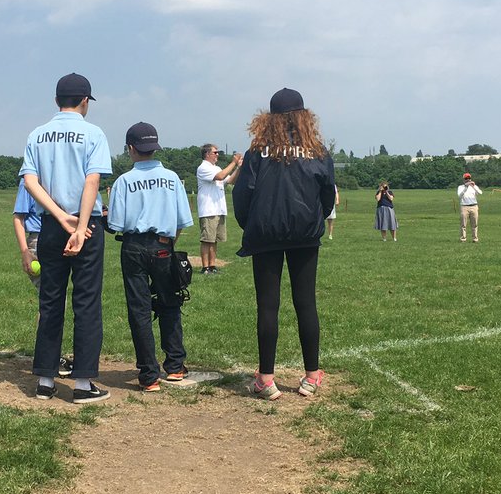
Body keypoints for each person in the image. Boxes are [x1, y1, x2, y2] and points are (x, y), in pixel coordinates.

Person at [233, 87, 335, 400]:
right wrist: (314, 222)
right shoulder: (317, 152)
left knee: (268, 304)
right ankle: (311, 376)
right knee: (306, 302)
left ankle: (266, 379)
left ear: (269, 120)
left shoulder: (256, 154)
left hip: (265, 234)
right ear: (304, 117)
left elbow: (242, 195)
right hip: (305, 235)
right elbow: (327, 195)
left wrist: (250, 224)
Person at [20, 73, 113, 404]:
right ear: (85, 101)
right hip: (85, 225)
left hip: (50, 223)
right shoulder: (93, 133)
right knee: (86, 302)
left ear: (57, 100)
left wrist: (59, 217)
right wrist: (79, 226)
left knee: (50, 301)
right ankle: (84, 384)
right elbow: (92, 182)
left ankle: (45, 380)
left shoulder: (37, 134)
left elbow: (30, 181)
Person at [108, 121, 194, 391]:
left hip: (133, 246)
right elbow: (181, 220)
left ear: (130, 148)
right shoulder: (171, 178)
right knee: (170, 303)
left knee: (139, 309)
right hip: (163, 244)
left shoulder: (124, 181)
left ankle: (148, 374)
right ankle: (175, 365)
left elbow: (116, 225)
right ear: (155, 147)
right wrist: (168, 243)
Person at [11, 178, 73, 378]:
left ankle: (48, 356)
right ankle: (48, 358)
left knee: (55, 301)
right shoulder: (29, 181)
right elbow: (19, 217)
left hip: (60, 238)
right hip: (38, 240)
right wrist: (25, 252)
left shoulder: (59, 176)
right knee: (52, 302)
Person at [196, 142, 242, 274]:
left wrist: (238, 168)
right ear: (207, 154)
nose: (217, 155)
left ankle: (212, 266)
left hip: (219, 209)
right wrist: (233, 162)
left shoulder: (216, 168)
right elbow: (221, 176)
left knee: (215, 240)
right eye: (215, 152)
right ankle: (205, 267)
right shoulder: (203, 168)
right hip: (208, 209)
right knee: (207, 240)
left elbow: (230, 180)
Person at [458, 173, 481, 242]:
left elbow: (480, 193)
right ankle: (463, 239)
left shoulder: (474, 186)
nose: (467, 180)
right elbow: (460, 195)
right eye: (466, 178)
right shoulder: (461, 187)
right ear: (463, 179)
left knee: (475, 224)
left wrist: (473, 186)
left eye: (469, 178)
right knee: (463, 224)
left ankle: (475, 239)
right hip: (464, 206)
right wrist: (466, 187)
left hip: (474, 206)